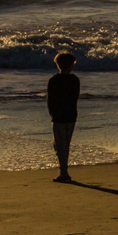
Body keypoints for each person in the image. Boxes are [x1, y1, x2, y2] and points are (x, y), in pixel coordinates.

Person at [48, 51, 81, 182]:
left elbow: (50, 100)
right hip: (71, 115)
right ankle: (64, 171)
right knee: (65, 144)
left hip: (58, 115)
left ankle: (64, 172)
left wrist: (52, 113)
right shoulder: (75, 80)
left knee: (59, 145)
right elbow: (75, 98)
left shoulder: (53, 80)